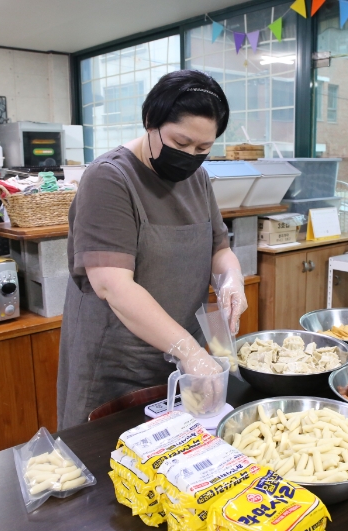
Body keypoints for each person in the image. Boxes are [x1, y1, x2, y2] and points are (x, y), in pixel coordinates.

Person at [56, 70, 247, 429]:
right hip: (117, 362)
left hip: (180, 359)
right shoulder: (110, 178)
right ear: (149, 122)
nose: (190, 156)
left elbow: (218, 248)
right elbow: (112, 284)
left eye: (202, 149)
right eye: (181, 142)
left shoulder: (198, 179)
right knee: (113, 467)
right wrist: (190, 352)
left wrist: (231, 279)